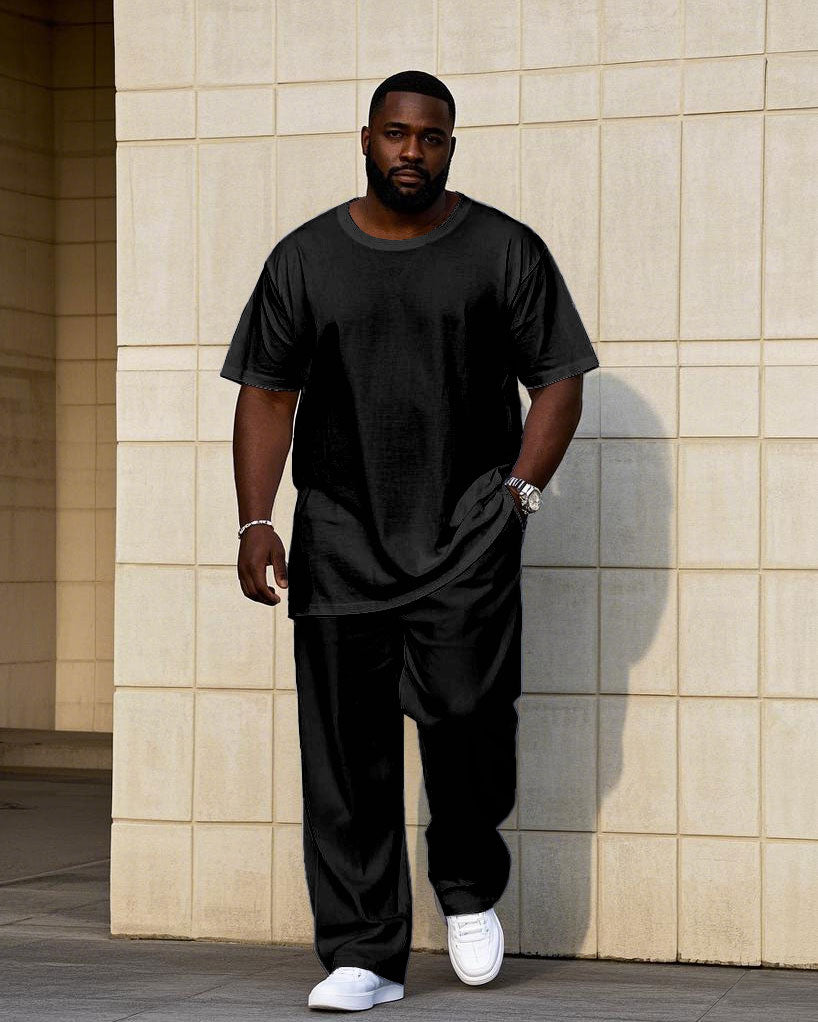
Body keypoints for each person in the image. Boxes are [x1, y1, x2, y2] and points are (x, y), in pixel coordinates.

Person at [220, 69, 600, 1012]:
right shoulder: (306, 258)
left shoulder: (504, 250)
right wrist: (257, 519)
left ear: (450, 148)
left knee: (470, 724)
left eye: (430, 138)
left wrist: (517, 497)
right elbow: (268, 393)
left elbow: (558, 380)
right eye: (396, 133)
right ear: (366, 138)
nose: (411, 152)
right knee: (346, 760)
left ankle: (467, 885)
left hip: (465, 537)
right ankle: (365, 955)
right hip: (340, 542)